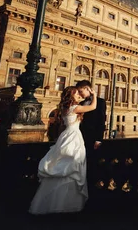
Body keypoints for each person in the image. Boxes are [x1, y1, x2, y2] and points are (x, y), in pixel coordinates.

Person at [29, 86, 97, 215]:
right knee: (72, 165)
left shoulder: (65, 108)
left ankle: (52, 203)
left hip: (66, 136)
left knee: (63, 164)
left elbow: (83, 102)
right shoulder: (74, 108)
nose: (79, 95)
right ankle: (68, 204)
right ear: (71, 96)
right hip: (73, 137)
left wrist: (83, 95)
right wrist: (93, 94)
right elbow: (93, 107)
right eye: (76, 93)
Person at [76, 80, 106, 151]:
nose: (80, 94)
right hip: (80, 136)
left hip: (92, 137)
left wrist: (98, 139)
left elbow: (101, 121)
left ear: (87, 89)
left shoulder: (100, 102)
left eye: (80, 91)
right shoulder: (81, 103)